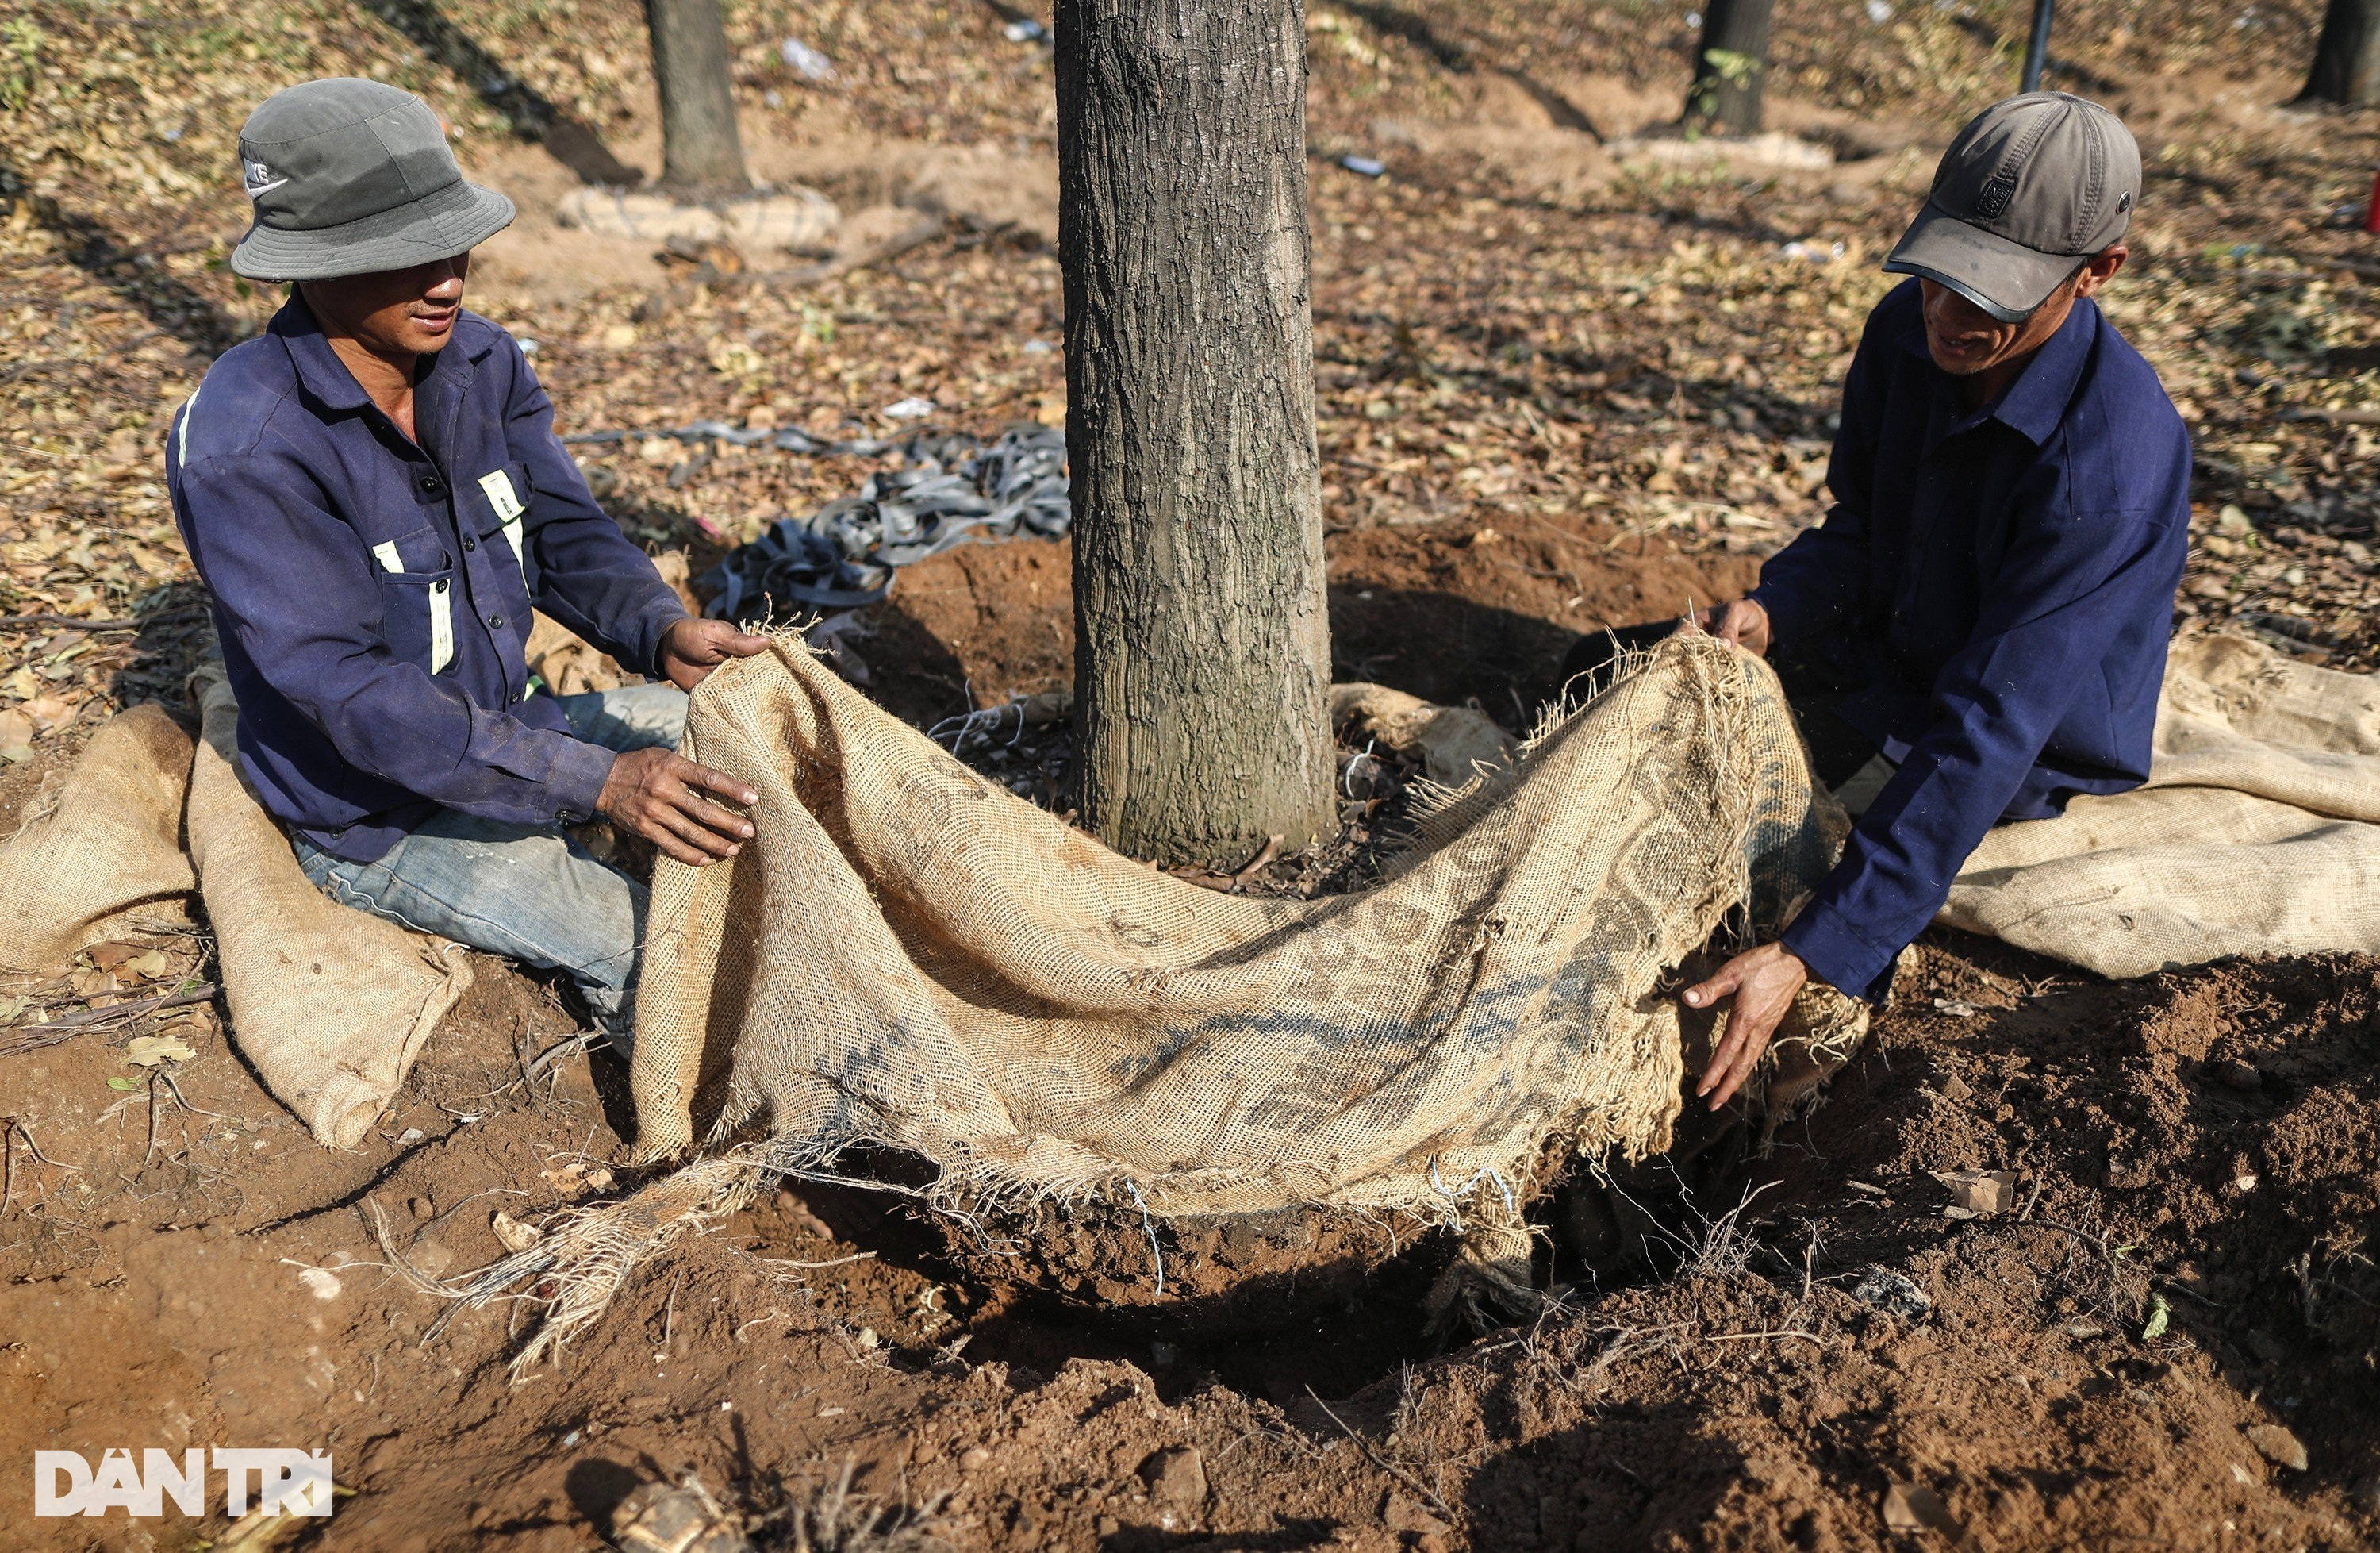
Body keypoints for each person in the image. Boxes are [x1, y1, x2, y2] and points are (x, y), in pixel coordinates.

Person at [1564, 92, 2190, 1111]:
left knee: (1745, 906)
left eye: (1994, 296)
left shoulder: (2107, 473)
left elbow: (1988, 727)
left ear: (2098, 272)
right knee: (1605, 683)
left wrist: (1815, 952)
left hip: (2020, 751)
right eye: (1943, 273)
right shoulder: (1910, 330)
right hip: (1890, 662)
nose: (1949, 315)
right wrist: (1777, 612)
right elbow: (1860, 526)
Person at [167, 79, 773, 1051]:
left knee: (765, 762)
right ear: (310, 267)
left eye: (454, 245)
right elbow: (354, 698)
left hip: (516, 727)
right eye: (405, 257)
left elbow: (560, 532)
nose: (446, 279)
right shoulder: (248, 447)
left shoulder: (480, 363)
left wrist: (657, 628)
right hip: (382, 812)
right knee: (665, 956)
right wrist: (597, 782)